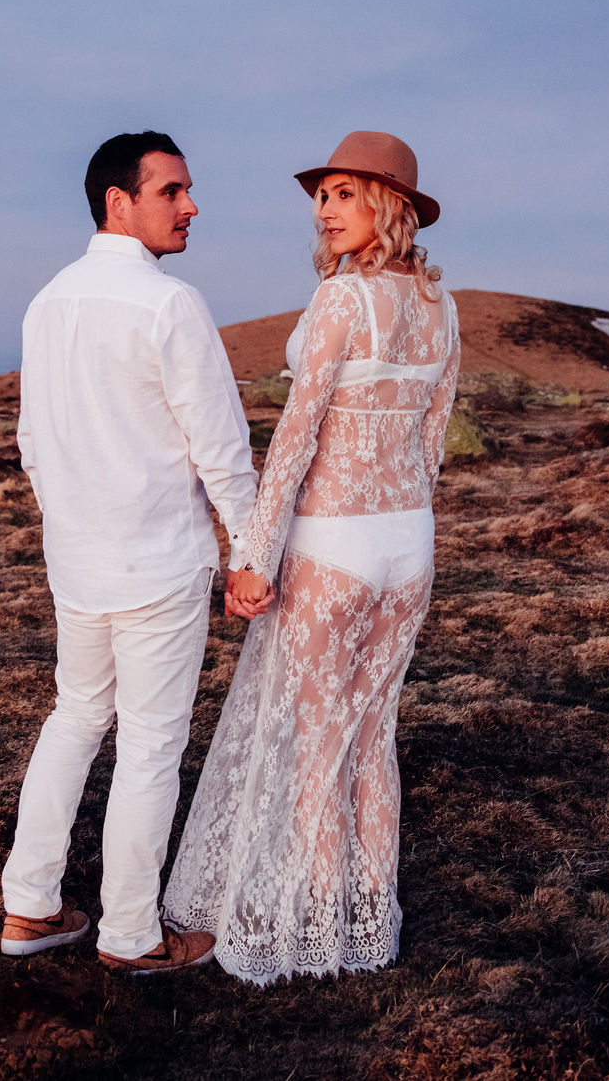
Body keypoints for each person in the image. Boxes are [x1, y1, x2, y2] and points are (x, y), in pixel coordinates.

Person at [163, 130, 459, 985]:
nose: (326, 211)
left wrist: (252, 552)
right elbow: (431, 439)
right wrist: (405, 518)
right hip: (410, 543)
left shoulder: (342, 301)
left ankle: (322, 926)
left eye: (345, 194)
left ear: (388, 207)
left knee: (317, 740)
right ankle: (370, 924)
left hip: (333, 543)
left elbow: (295, 436)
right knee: (372, 736)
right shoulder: (441, 305)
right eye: (322, 195)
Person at [0, 130, 267, 975]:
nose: (191, 207)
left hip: (78, 562)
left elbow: (32, 442)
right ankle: (129, 934)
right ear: (120, 200)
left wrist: (70, 525)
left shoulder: (47, 302)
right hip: (156, 560)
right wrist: (249, 552)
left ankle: (30, 907)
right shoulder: (168, 304)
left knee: (74, 719)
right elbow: (220, 445)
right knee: (149, 744)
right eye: (173, 191)